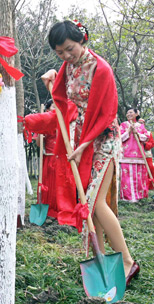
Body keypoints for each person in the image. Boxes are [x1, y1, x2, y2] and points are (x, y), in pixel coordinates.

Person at [41, 20, 139, 286]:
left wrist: (85, 145)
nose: (66, 56)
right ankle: (103, 258)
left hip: (104, 138)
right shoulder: (68, 67)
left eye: (69, 49)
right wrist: (52, 76)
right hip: (82, 137)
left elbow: (107, 113)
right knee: (89, 204)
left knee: (95, 203)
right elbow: (61, 92)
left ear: (82, 40)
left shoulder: (101, 69)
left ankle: (128, 262)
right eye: (59, 52)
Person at [120, 109, 149, 201]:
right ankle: (127, 197)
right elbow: (119, 138)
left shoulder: (140, 126)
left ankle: (139, 196)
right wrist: (128, 131)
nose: (128, 114)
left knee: (139, 176)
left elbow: (147, 138)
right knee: (126, 177)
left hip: (139, 155)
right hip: (126, 154)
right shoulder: (123, 125)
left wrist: (138, 134)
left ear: (137, 114)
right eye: (127, 113)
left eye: (131, 112)